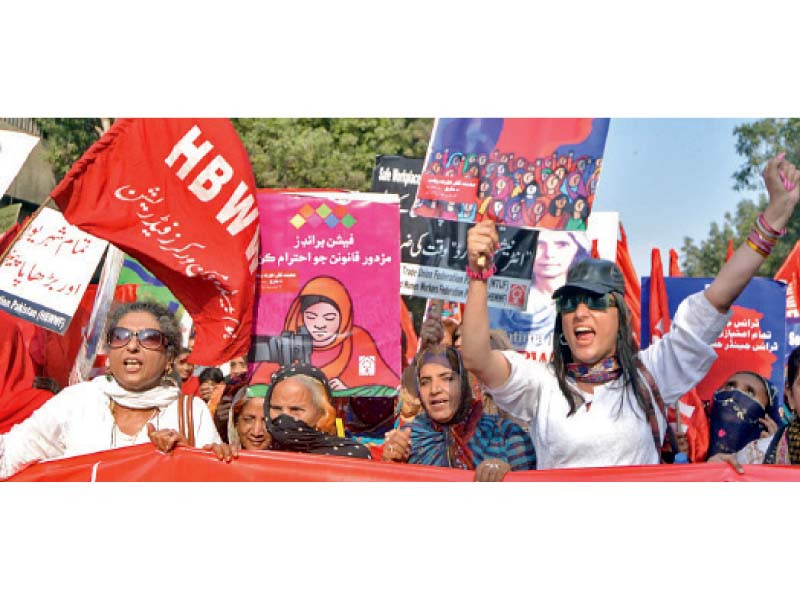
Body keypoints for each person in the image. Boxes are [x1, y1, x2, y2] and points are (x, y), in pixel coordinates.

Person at [460, 154, 800, 469]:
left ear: (620, 317)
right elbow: (476, 357)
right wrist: (478, 274)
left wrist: (773, 217)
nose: (580, 313)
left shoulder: (650, 376)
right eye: (569, 303)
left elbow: (718, 297)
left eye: (594, 302)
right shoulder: (543, 384)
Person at [0, 301, 235, 479]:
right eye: (120, 337)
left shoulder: (191, 411)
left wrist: (191, 459)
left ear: (169, 358)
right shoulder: (78, 401)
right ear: (110, 352)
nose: (132, 346)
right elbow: (10, 455)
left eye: (149, 338)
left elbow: (209, 483)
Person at [382, 345, 536, 481]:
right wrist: (390, 464)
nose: (435, 389)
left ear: (464, 383)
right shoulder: (409, 439)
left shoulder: (506, 434)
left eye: (447, 379)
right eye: (425, 382)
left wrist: (508, 477)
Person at [251, 276, 398, 391]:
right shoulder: (287, 343)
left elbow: (389, 387)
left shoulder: (358, 339)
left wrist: (347, 392)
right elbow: (257, 386)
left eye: (329, 318)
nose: (320, 325)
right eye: (311, 317)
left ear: (344, 317)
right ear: (301, 316)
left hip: (344, 424)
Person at [709, 347, 800, 469]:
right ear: (790, 397)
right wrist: (715, 475)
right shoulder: (753, 457)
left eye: (750, 393)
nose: (735, 397)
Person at [264, 363, 371, 459]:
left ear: (322, 412)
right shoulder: (260, 451)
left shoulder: (350, 456)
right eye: (276, 408)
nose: (284, 416)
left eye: (295, 409)